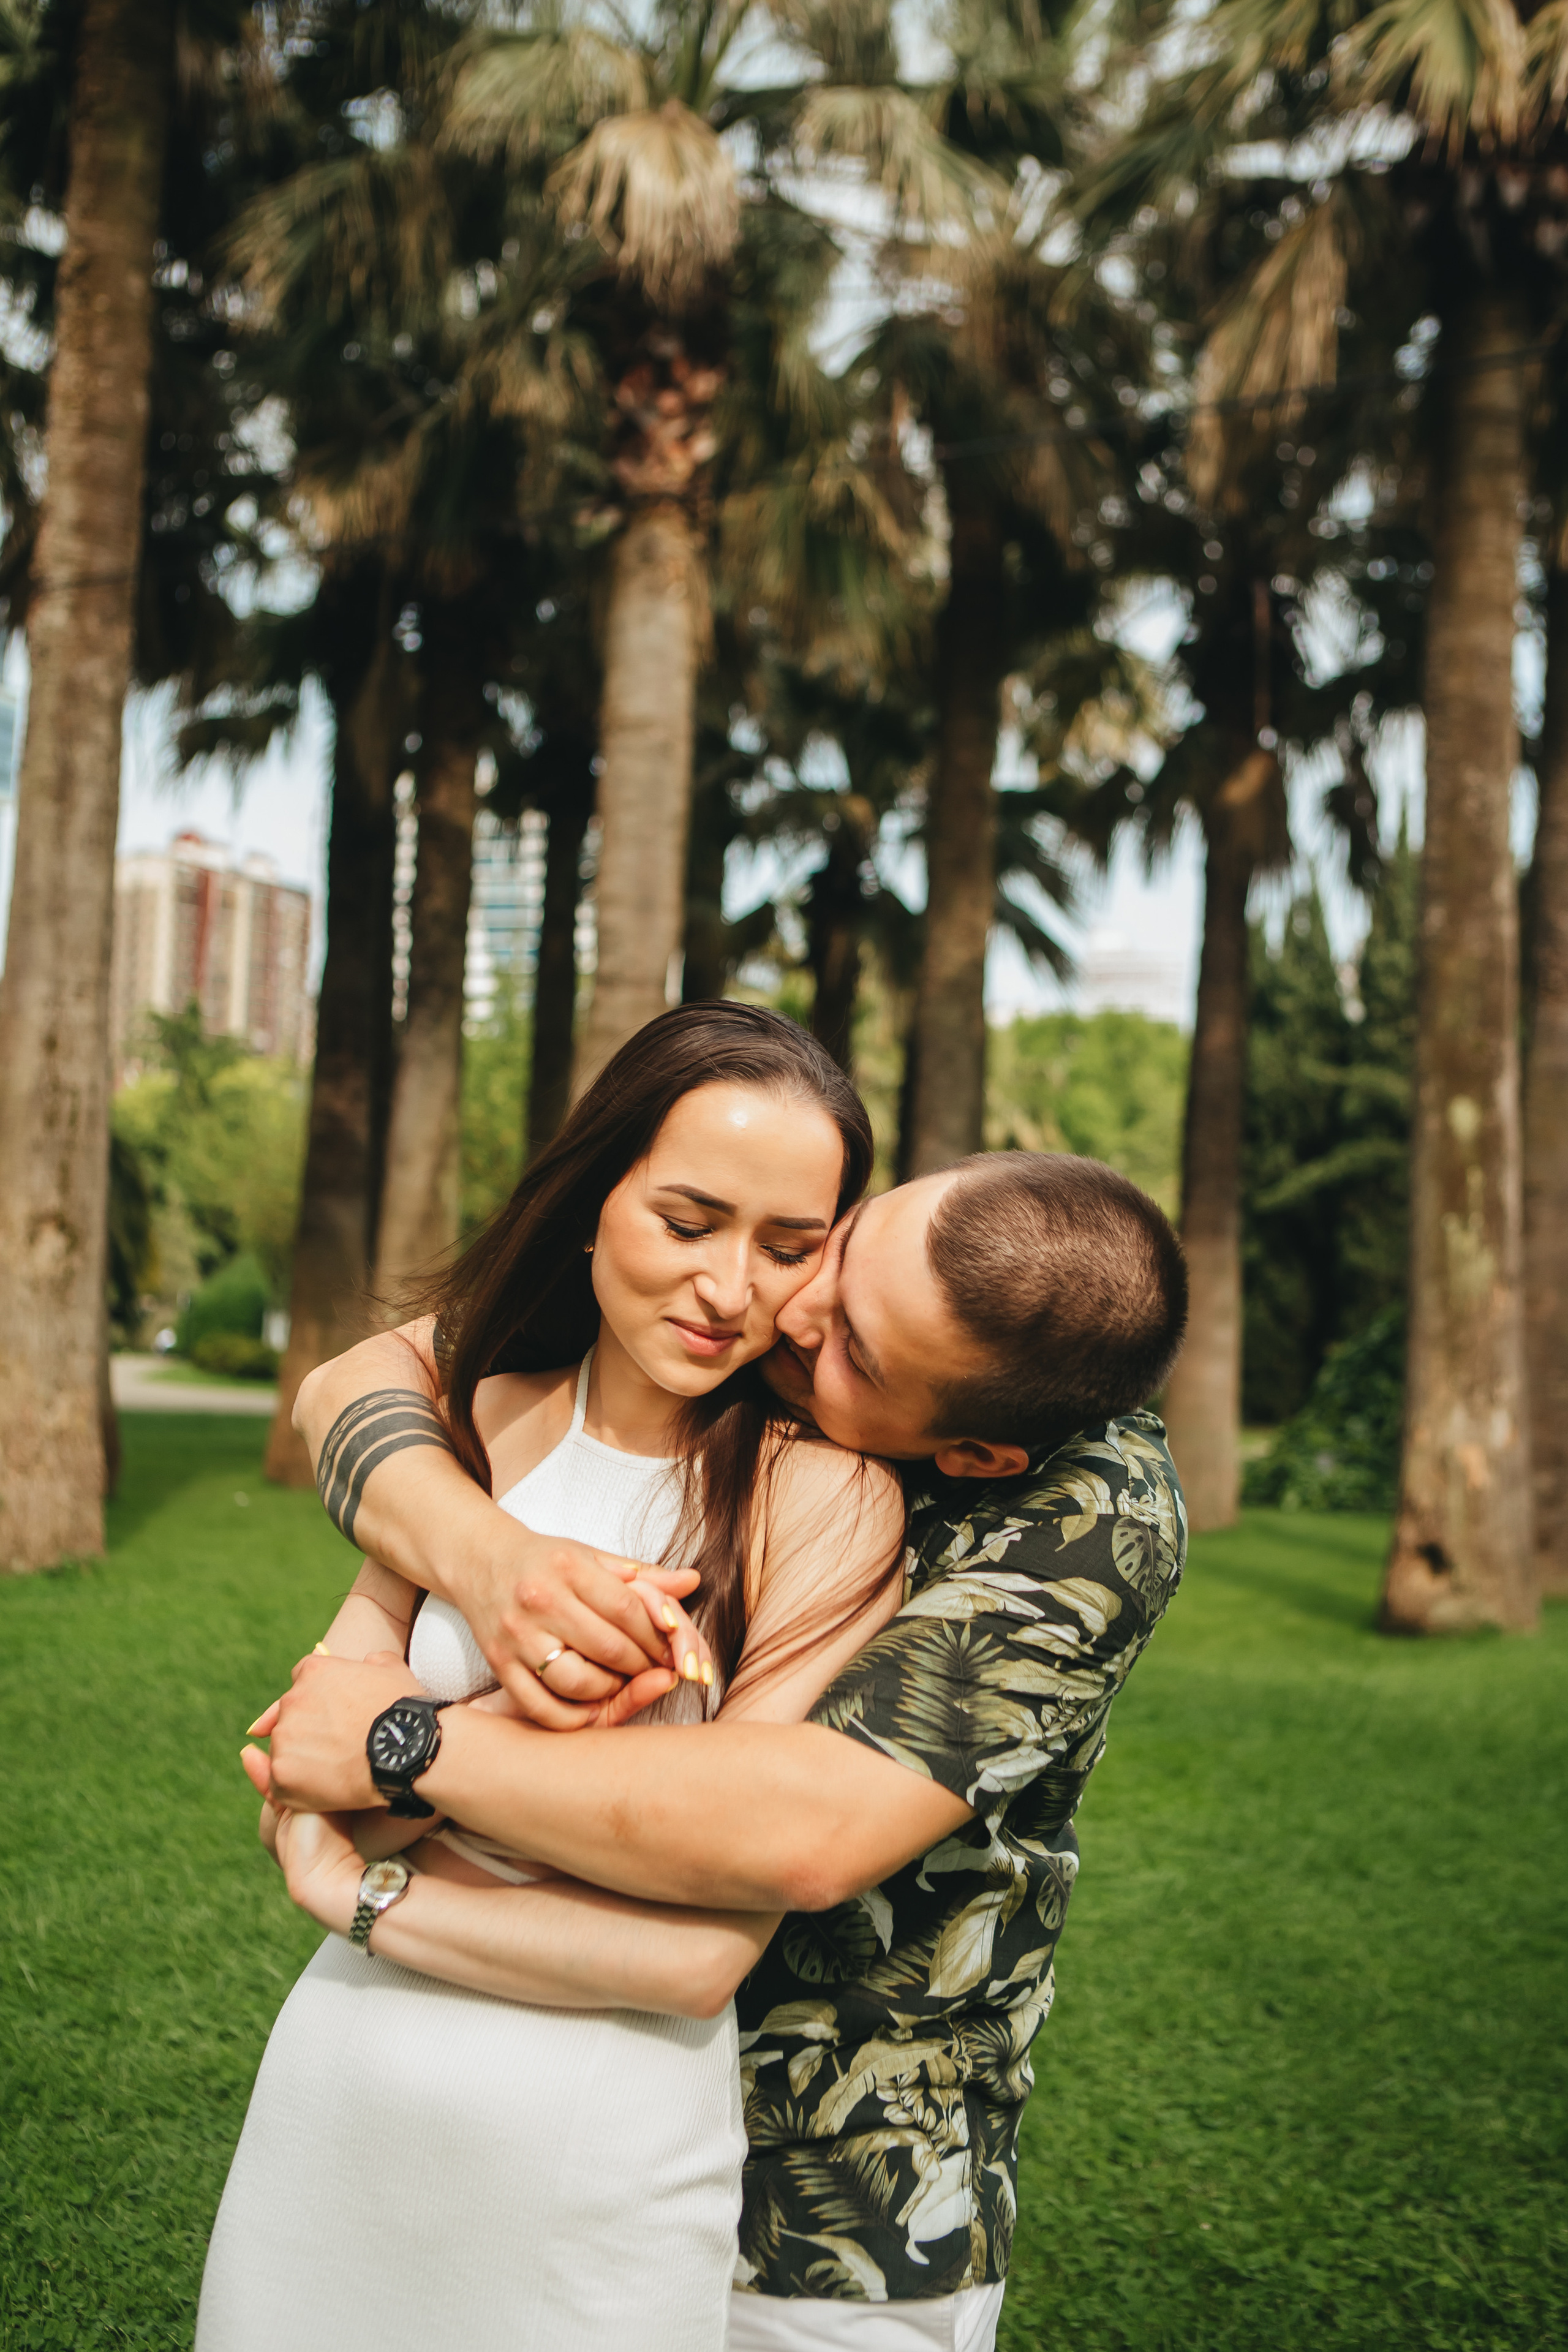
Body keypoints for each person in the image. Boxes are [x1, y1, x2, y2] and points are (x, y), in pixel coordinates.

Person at [260, 1123, 1191, 2351]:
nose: (794, 1314)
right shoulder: (734, 1335)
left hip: (835, 2212)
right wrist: (494, 1567)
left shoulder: (1091, 1510)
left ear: (970, 1451)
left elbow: (797, 1825)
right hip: (523, 2075)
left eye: (856, 1344)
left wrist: (401, 1752)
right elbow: (352, 1383)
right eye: (838, 1254)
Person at [197, 1003, 912, 2352]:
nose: (726, 1288)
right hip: (340, 2099)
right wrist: (509, 1727)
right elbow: (307, 1769)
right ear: (593, 1207)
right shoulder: (468, 1420)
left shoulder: (819, 1499)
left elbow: (695, 1955)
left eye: (787, 1248)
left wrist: (366, 1888)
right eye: (687, 1222)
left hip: (591, 2157)